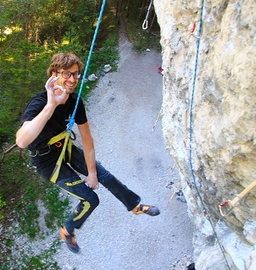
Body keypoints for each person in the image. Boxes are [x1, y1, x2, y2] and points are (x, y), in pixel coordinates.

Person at [15, 52, 160, 253]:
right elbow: (22, 141)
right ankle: (68, 229)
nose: (73, 80)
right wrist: (52, 104)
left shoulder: (75, 101)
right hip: (47, 162)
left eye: (76, 74)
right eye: (66, 74)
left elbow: (87, 138)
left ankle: (134, 205)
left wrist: (92, 173)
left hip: (64, 148)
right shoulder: (39, 103)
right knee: (91, 200)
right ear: (53, 74)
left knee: (105, 176)